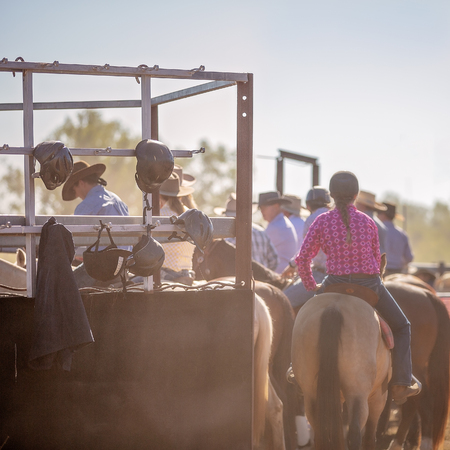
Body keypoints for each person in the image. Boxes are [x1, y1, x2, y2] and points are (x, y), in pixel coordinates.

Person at [295, 170, 421, 405]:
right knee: (403, 326)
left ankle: (296, 368)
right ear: (355, 195)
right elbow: (375, 261)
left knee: (303, 319)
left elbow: (302, 259)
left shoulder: (322, 221)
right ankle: (401, 381)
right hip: (369, 285)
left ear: (331, 195)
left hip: (333, 284)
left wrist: (313, 287)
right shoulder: (368, 222)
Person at [62, 160, 130, 288]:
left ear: (81, 183)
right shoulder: (118, 201)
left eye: (74, 189)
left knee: (61, 287)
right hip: (124, 266)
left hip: (100, 268)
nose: (76, 194)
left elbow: (72, 242)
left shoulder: (86, 206)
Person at [281, 186, 332, 310]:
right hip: (342, 275)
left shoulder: (312, 219)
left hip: (321, 274)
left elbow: (307, 250)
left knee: (282, 301)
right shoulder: (338, 217)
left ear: (308, 206)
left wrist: (293, 265)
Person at [214, 193, 279, 271]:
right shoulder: (261, 232)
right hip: (262, 280)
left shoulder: (228, 238)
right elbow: (274, 261)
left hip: (237, 280)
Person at [158, 172, 196, 285]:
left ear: (159, 195)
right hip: (187, 273)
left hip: (165, 274)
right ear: (179, 196)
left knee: (131, 281)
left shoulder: (158, 214)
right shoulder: (191, 213)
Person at [255, 191, 298, 274]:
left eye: (264, 208)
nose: (261, 211)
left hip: (279, 276)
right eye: (260, 208)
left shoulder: (276, 226)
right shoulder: (281, 223)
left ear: (276, 206)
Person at [378, 202, 414, 276]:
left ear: (383, 215)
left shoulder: (377, 231)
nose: (377, 215)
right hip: (398, 272)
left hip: (382, 272)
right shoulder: (402, 234)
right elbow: (409, 257)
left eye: (378, 213)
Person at [355, 190, 388, 255]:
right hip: (378, 261)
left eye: (358, 203)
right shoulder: (381, 226)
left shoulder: (360, 223)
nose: (356, 206)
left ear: (362, 205)